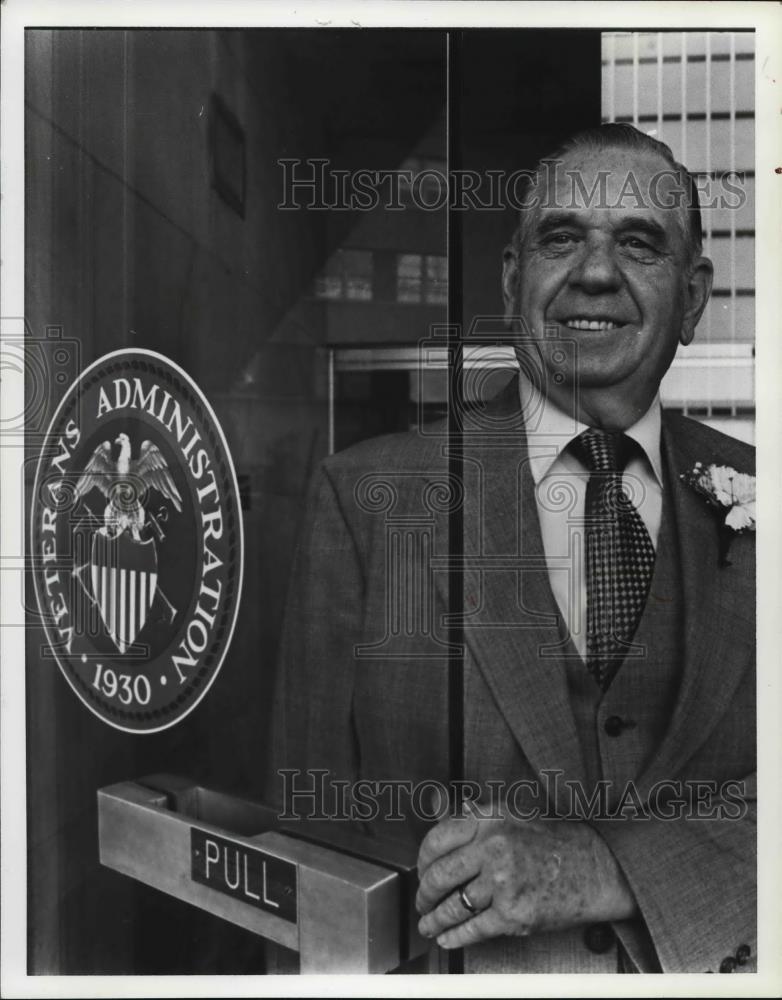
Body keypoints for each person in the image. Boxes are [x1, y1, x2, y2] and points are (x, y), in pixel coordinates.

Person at [270, 124, 756, 974]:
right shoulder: (368, 502)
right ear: (510, 276)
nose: (595, 272)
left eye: (639, 244)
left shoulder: (767, 498)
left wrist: (607, 869)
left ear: (693, 297)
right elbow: (306, 866)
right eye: (560, 238)